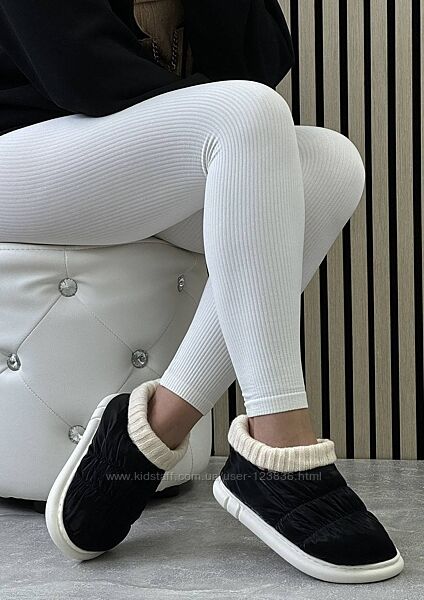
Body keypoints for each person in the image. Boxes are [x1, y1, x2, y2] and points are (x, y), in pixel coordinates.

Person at [0, 0, 403, 584]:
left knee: (329, 163)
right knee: (244, 115)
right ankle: (280, 446)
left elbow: (263, 60)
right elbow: (80, 72)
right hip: (21, 144)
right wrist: (217, 118)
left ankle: (150, 432)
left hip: (114, 150)